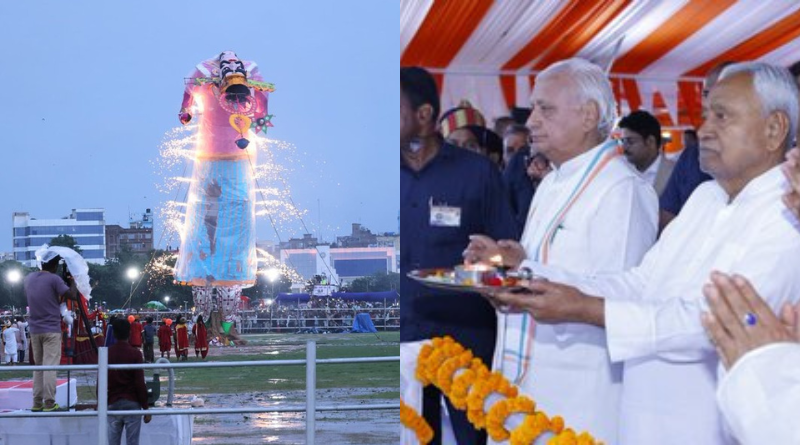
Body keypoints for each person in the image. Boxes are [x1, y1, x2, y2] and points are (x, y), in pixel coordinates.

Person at [490, 62, 800, 444]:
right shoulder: (705, 197)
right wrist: (537, 283)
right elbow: (641, 282)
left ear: (774, 129)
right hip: (641, 422)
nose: (704, 130)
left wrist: (587, 309)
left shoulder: (788, 214)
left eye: (722, 116)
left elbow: (713, 323)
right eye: (705, 115)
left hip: (705, 429)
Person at [464, 58, 658, 443]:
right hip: (525, 377)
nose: (532, 121)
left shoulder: (622, 190)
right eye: (533, 108)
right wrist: (502, 264)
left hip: (578, 391)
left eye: (545, 109)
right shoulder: (554, 180)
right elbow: (542, 264)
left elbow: (620, 297)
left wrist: (525, 269)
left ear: (588, 116)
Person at [400, 66, 517, 444]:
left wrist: (486, 264)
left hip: (466, 334)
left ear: (423, 115)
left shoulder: (477, 172)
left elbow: (508, 250)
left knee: (473, 437)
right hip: (404, 334)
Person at [658, 62, 735, 231]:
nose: (711, 100)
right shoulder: (691, 155)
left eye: (721, 92)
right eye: (706, 93)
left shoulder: (756, 157)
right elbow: (667, 213)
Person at [24, 250, 77, 411]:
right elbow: (72, 295)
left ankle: (36, 403)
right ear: (55, 265)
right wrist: (72, 280)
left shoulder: (29, 278)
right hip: (51, 329)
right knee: (50, 367)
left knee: (38, 367)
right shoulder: (54, 279)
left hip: (35, 329)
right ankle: (49, 402)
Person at [105, 318, 151, 445]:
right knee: (132, 442)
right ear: (129, 333)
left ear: (114, 334)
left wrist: (100, 403)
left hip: (112, 402)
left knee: (112, 442)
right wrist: (146, 407)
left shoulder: (107, 353)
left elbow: (101, 381)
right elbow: (139, 383)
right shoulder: (135, 354)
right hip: (132, 403)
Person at [618, 110, 675, 195]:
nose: (624, 147)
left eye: (630, 141)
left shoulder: (675, 172)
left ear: (650, 142)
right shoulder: (621, 171)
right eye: (623, 141)